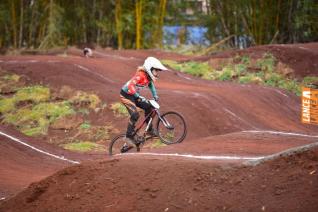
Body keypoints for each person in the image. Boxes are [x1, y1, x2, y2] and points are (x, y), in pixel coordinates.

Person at [120, 57, 168, 143]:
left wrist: (155, 95)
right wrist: (137, 96)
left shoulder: (148, 77)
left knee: (149, 107)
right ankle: (128, 136)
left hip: (134, 95)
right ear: (150, 69)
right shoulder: (140, 75)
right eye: (156, 71)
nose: (157, 73)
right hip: (126, 95)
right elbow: (131, 85)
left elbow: (151, 85)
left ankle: (149, 130)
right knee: (135, 114)